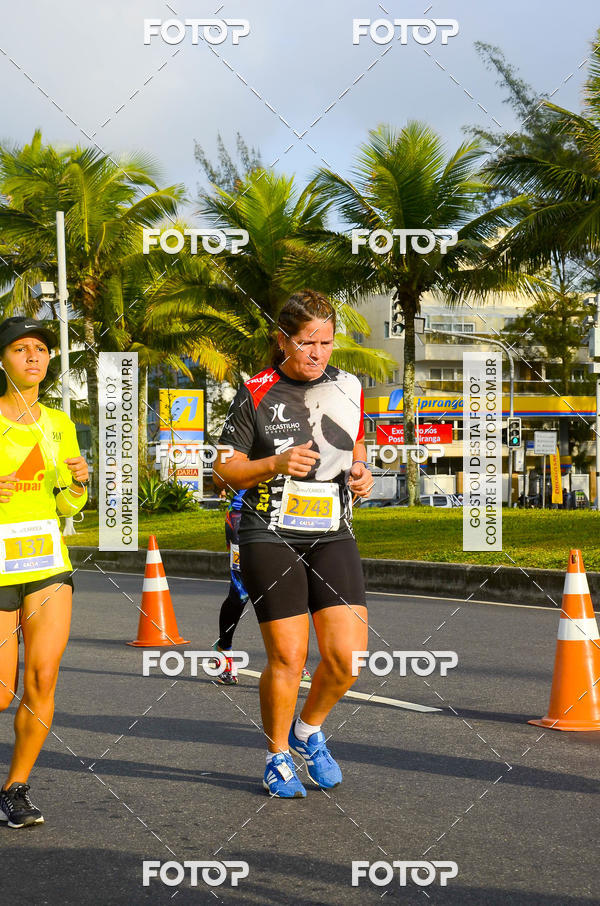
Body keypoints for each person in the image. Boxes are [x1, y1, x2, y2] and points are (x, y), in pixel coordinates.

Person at [214, 290, 373, 798]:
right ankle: (277, 755)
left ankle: (308, 730)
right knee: (288, 656)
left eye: (326, 342)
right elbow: (223, 470)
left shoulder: (349, 386)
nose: (318, 353)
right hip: (270, 530)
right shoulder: (255, 390)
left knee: (348, 658)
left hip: (332, 528)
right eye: (306, 342)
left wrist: (361, 472)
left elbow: (355, 443)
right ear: (282, 340)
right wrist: (273, 464)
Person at [0, 317, 88, 828]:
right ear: (2, 359)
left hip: (47, 563)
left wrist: (79, 482)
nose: (33, 356)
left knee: (43, 675)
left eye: (41, 349)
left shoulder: (58, 422)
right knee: (2, 692)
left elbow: (68, 501)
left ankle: (15, 787)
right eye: (19, 348)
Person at [213, 489, 311, 685]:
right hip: (244, 517)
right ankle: (224, 649)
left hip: (291, 515)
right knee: (241, 593)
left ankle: (291, 656)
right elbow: (222, 470)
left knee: (288, 587)